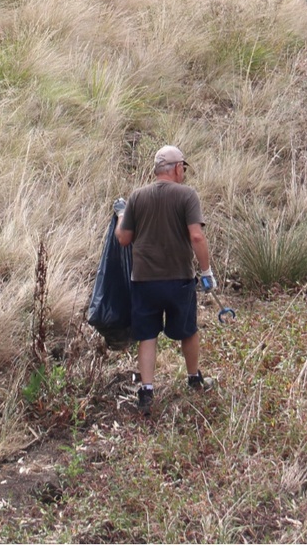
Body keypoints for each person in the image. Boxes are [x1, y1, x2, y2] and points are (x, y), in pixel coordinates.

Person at [115, 145, 216, 416]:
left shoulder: (137, 197)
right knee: (188, 329)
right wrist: (206, 272)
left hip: (144, 280)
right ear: (175, 168)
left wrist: (121, 215)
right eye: (183, 166)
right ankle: (194, 378)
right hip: (179, 279)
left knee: (147, 334)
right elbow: (196, 236)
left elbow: (123, 239)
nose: (183, 171)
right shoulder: (187, 195)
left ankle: (146, 390)